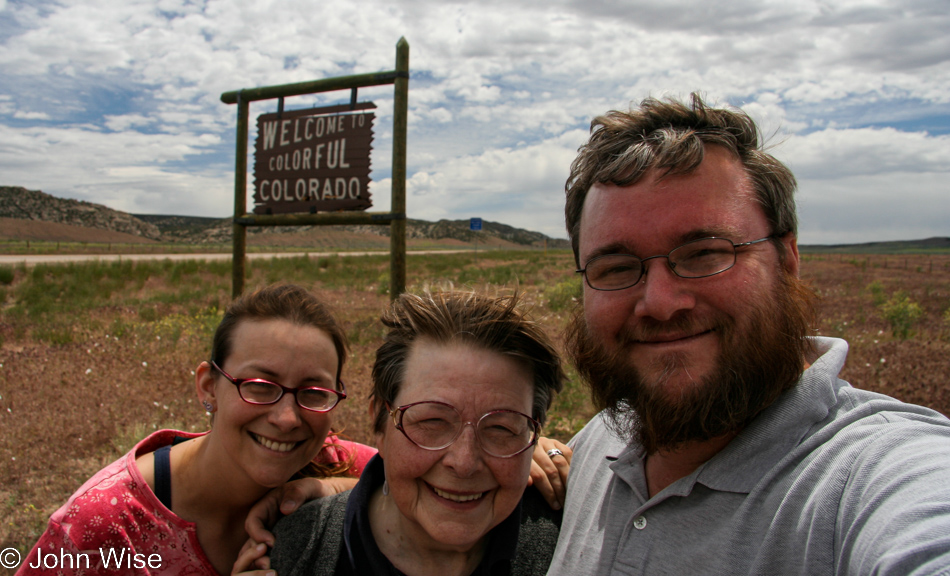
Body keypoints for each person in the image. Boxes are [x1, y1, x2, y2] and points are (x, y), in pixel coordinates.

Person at [547, 93, 950, 575]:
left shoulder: (873, 477)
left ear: (788, 261)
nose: (658, 302)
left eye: (705, 254)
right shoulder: (604, 441)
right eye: (615, 267)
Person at [18, 284, 375, 575]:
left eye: (313, 392)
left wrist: (330, 487)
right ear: (208, 386)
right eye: (259, 385)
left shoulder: (336, 462)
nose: (286, 418)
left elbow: (416, 484)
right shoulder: (103, 528)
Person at [268, 291, 566, 576]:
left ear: (533, 435)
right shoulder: (289, 553)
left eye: (501, 428)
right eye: (432, 422)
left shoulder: (572, 545)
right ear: (379, 424)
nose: (464, 463)